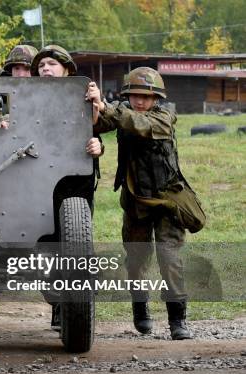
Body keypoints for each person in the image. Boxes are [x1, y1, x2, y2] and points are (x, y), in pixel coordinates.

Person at [89, 66, 195, 340]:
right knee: (136, 260)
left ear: (156, 98)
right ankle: (141, 308)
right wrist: (93, 103)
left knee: (169, 258)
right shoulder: (122, 110)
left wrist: (109, 108)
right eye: (134, 95)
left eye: (145, 97)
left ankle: (177, 319)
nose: (139, 101)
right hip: (135, 201)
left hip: (167, 200)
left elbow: (141, 125)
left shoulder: (164, 116)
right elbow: (99, 124)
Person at [31, 45, 104, 331]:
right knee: (47, 247)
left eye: (51, 64)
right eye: (41, 66)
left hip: (73, 183)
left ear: (67, 70)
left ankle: (71, 309)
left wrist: (100, 143)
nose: (45, 69)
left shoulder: (84, 94)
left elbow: (99, 127)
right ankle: (60, 303)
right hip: (37, 181)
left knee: (74, 247)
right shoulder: (29, 97)